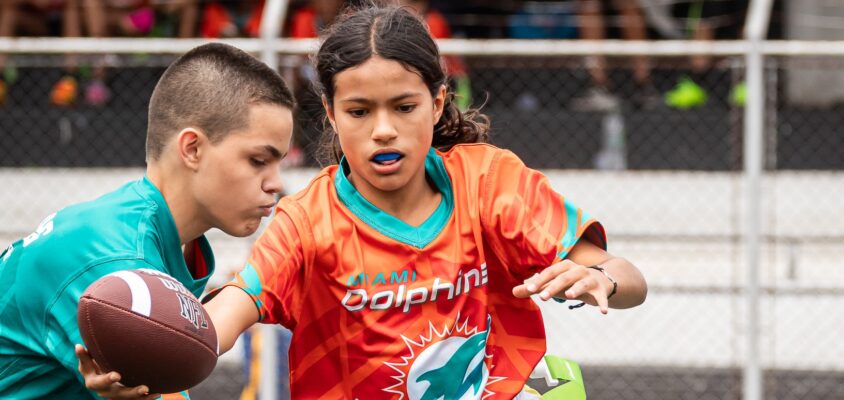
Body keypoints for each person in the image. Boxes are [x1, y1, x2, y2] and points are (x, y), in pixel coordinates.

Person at [84, 5, 647, 399]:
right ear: (330, 114)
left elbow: (623, 277)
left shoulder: (491, 180)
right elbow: (224, 317)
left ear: (437, 101)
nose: (383, 130)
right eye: (359, 112)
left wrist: (605, 281)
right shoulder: (306, 221)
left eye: (404, 107)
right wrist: (148, 355)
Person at [0, 42, 295, 399]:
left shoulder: (156, 235)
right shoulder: (114, 261)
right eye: (258, 160)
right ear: (192, 149)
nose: (276, 183)